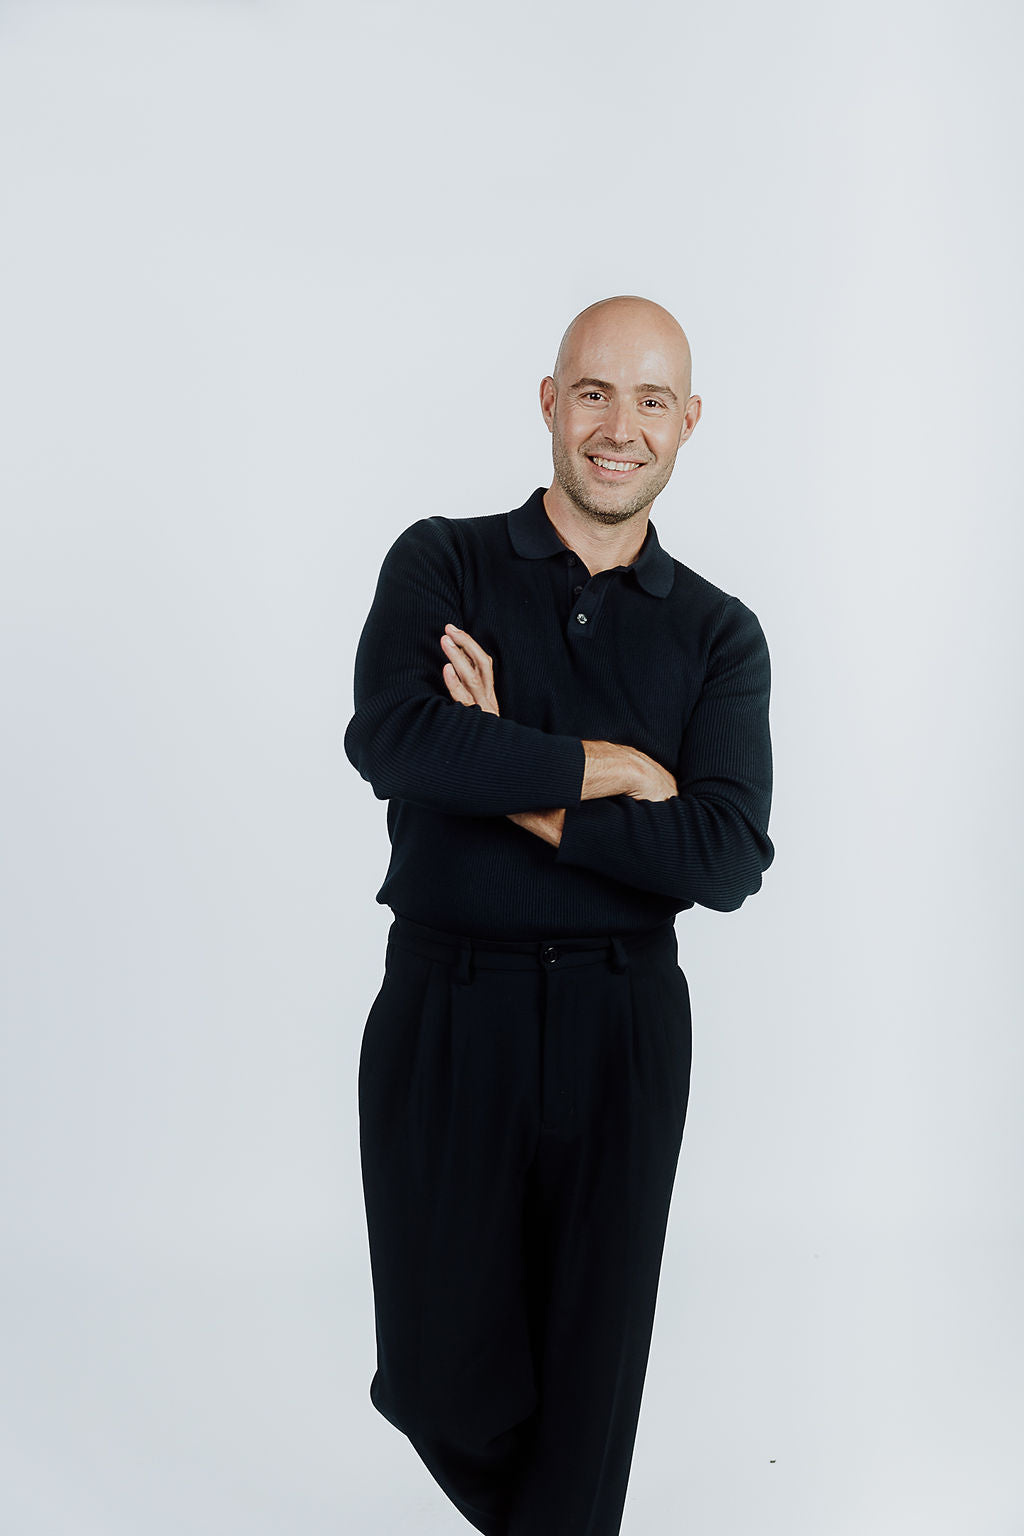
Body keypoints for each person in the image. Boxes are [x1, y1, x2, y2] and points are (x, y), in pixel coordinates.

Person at [343, 294, 775, 1536]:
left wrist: (510, 777)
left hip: (620, 1021)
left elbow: (723, 854)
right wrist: (611, 768)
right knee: (437, 1382)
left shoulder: (718, 634)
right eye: (593, 393)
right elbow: (393, 740)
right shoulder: (442, 561)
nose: (618, 428)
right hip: (447, 1006)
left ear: (688, 423)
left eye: (650, 401)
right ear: (549, 402)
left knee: (588, 1392)